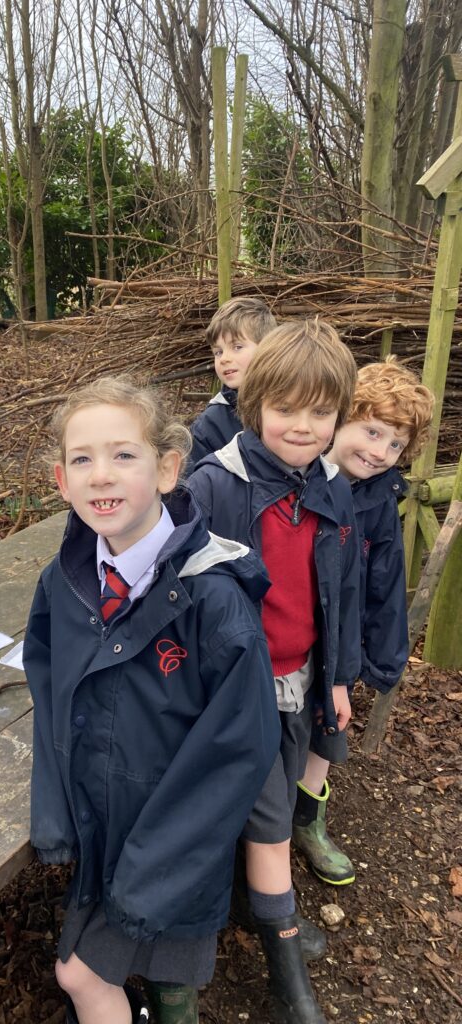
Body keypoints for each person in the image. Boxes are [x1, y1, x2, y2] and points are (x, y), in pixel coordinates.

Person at [24, 376, 280, 1024]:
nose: (101, 475)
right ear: (61, 480)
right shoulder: (64, 583)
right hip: (100, 828)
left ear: (167, 469)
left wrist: (146, 878)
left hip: (169, 847)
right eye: (82, 459)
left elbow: (233, 757)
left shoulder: (215, 604)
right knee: (113, 973)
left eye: (123, 455)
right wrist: (56, 816)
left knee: (87, 974)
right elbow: (50, 691)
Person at [187, 320, 361, 1024]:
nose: (303, 426)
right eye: (287, 409)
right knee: (269, 826)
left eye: (321, 413)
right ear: (254, 402)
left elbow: (339, 593)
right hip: (238, 691)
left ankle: (258, 909)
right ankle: (287, 976)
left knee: (278, 803)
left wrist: (339, 678)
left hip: (301, 678)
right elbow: (182, 595)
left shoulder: (331, 485)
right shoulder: (214, 487)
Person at [292, 358, 434, 886]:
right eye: (371, 431)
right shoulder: (299, 475)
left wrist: (380, 659)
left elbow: (384, 583)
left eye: (394, 444)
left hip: (339, 643)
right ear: (340, 420)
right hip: (289, 632)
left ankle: (308, 821)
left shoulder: (379, 499)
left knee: (326, 732)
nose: (378, 452)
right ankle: (258, 827)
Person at [188, 296, 277, 470]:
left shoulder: (291, 404)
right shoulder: (209, 424)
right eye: (218, 352)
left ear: (267, 349)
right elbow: (192, 487)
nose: (224, 359)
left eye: (237, 347)